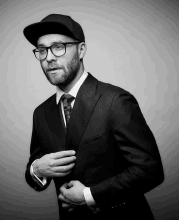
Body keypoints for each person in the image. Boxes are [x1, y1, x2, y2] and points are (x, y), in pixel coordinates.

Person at [23, 14, 164, 220]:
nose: (49, 57)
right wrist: (37, 169)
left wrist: (89, 195)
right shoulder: (41, 113)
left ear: (81, 50)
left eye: (58, 47)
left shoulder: (115, 100)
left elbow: (150, 170)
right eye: (42, 50)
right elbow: (34, 169)